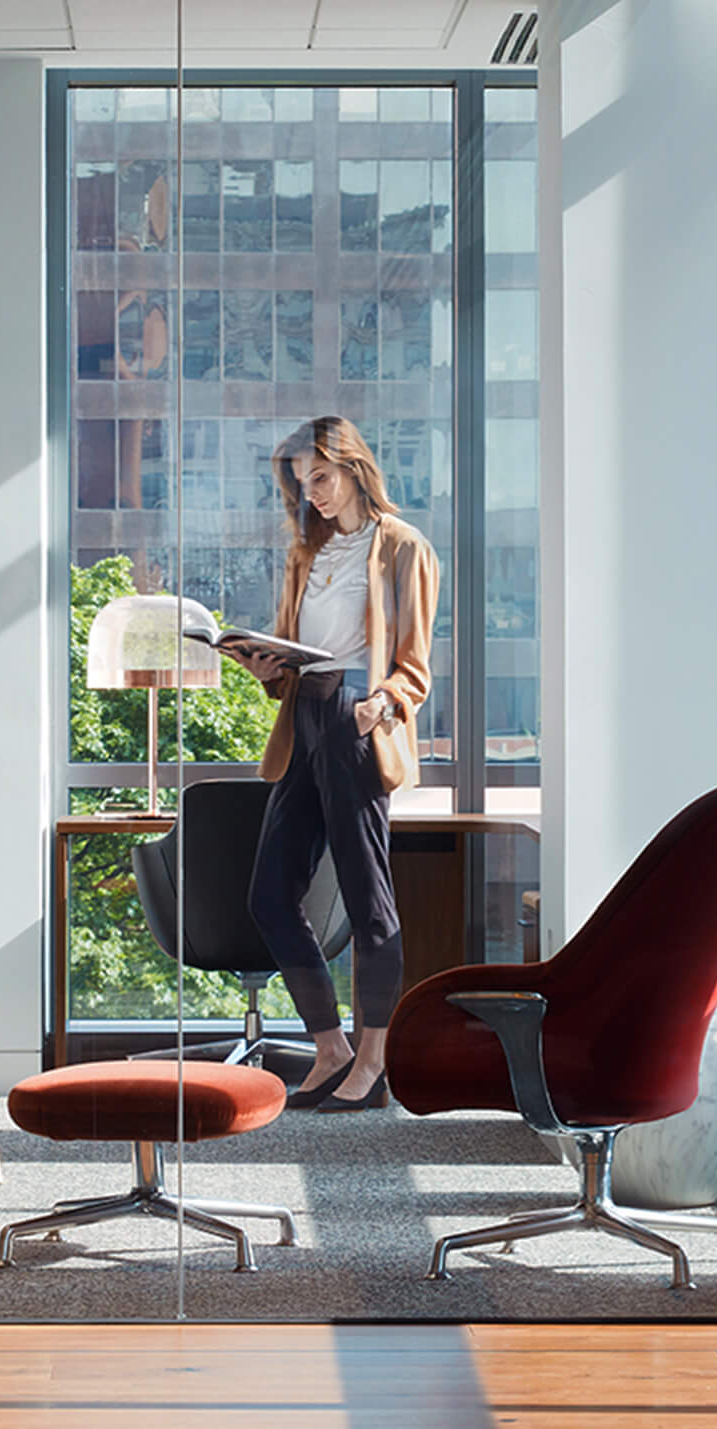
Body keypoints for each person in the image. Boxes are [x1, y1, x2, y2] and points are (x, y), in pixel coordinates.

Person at [214, 416, 439, 1112]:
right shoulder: (306, 555)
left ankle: (372, 1061)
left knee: (370, 904)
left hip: (354, 720)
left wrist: (381, 707)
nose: (310, 493)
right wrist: (262, 665)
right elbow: (290, 657)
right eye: (299, 483)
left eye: (320, 477)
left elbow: (417, 665)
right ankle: (331, 1046)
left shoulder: (402, 547)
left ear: (352, 466)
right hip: (302, 715)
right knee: (270, 895)